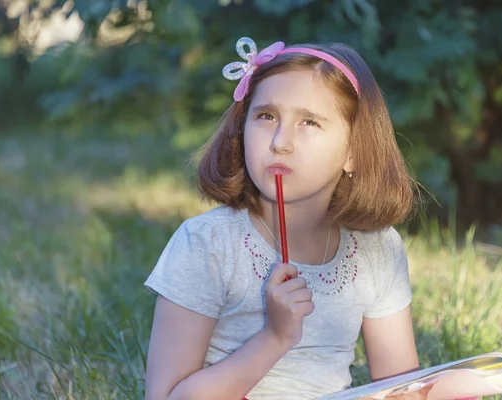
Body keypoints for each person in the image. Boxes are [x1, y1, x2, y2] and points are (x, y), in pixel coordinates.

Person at [143, 36, 429, 400]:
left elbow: (399, 386)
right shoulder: (207, 245)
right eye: (266, 116)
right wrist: (275, 337)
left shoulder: (377, 250)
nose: (280, 141)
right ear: (242, 128)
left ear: (354, 152)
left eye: (309, 122)